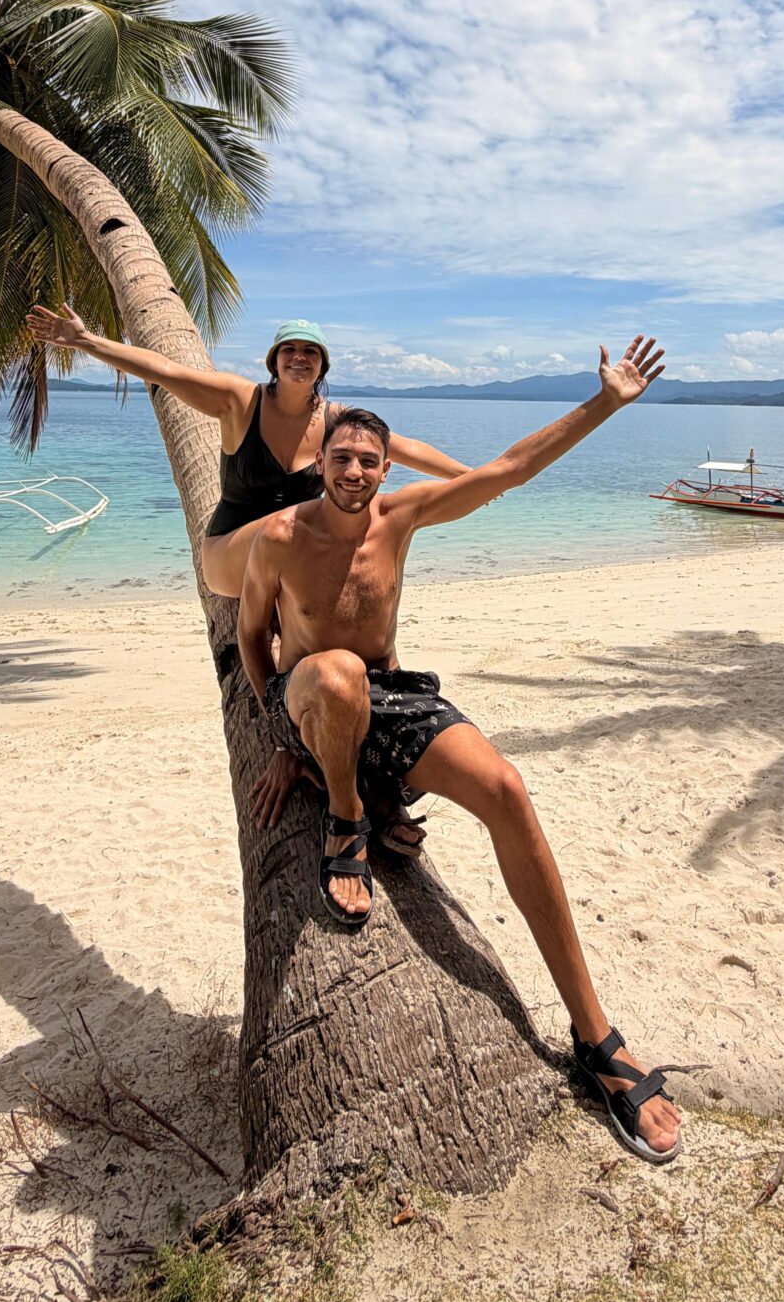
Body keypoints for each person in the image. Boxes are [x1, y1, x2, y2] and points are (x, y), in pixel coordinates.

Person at [238, 338, 682, 1166]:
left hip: (390, 693)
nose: (356, 472)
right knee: (333, 675)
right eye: (342, 458)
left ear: (383, 467)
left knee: (507, 790)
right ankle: (345, 821)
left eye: (370, 460)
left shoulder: (400, 518)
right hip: (314, 691)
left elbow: (510, 468)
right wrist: (279, 740)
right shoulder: (277, 538)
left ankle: (594, 1037)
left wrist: (607, 402)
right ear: (320, 463)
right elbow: (250, 638)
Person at [25, 306, 467, 599]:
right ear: (274, 360)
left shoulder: (336, 420)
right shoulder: (240, 401)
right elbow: (165, 370)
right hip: (228, 555)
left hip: (291, 554)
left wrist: (467, 477)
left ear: (322, 365)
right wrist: (86, 341)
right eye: (289, 350)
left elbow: (401, 446)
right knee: (300, 525)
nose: (299, 358)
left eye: (310, 352)